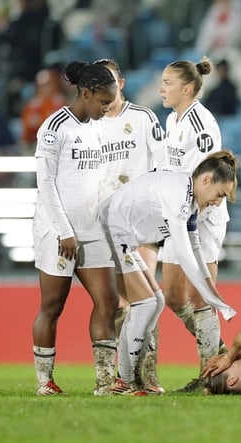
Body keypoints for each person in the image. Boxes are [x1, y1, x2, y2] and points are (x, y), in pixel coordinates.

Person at [100, 150, 239, 393]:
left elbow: (195, 246)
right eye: (220, 194)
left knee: (156, 301)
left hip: (120, 238)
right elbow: (184, 255)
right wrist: (208, 296)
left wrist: (212, 291)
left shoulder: (191, 200)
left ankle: (133, 379)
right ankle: (124, 381)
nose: (218, 202)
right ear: (206, 180)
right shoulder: (179, 193)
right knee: (144, 303)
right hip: (104, 235)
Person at [31, 61, 119, 396]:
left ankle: (104, 382)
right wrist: (63, 230)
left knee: (108, 301)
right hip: (58, 232)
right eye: (102, 102)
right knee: (53, 306)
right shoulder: (54, 128)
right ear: (86, 93)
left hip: (92, 228)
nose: (106, 108)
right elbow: (46, 184)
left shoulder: (97, 128)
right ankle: (45, 382)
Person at [94, 58, 167, 393]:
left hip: (140, 224)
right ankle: (112, 377)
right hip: (104, 225)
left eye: (110, 80)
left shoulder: (142, 118)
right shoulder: (88, 123)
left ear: (120, 83)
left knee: (146, 298)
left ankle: (146, 376)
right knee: (116, 304)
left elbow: (162, 166)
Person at [159, 57, 230, 368]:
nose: (162, 89)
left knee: (200, 297)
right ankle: (222, 353)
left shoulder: (201, 125)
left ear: (186, 89)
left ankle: (210, 371)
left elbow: (210, 176)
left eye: (168, 83)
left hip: (202, 219)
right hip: (177, 216)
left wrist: (191, 215)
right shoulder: (172, 121)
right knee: (173, 297)